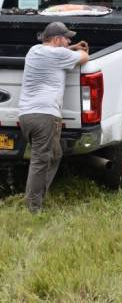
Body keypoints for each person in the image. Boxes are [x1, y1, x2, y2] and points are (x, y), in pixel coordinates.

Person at [19, 21, 89, 213]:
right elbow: (84, 57)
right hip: (45, 117)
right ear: (57, 39)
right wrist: (79, 50)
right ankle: (33, 207)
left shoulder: (34, 51)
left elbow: (59, 52)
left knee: (55, 155)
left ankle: (38, 195)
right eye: (66, 38)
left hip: (26, 116)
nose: (69, 41)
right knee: (41, 161)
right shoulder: (60, 55)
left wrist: (71, 48)